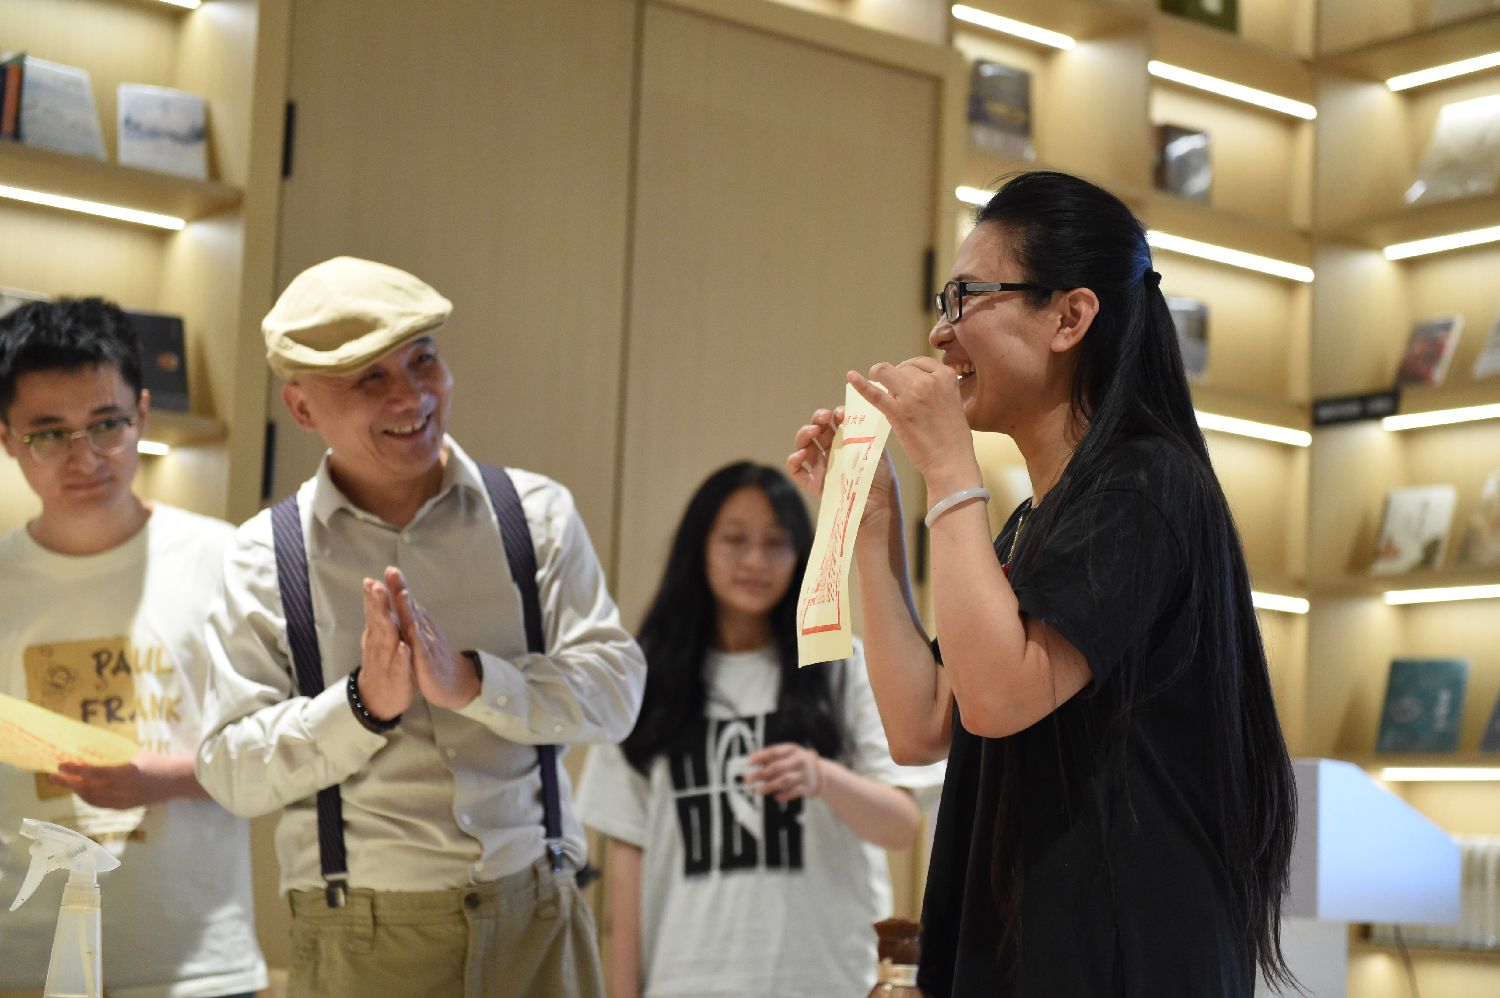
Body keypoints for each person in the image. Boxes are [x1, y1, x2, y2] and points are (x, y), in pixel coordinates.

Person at [787, 171, 1299, 997]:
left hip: (1123, 961)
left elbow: (999, 697)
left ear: (1070, 317)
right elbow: (921, 724)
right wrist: (875, 522)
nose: (940, 331)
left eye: (965, 297)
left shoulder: (1147, 484)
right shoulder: (1038, 517)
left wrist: (948, 466)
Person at [194, 257, 646, 998]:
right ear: (301, 408)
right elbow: (230, 770)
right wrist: (361, 705)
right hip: (360, 943)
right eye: (369, 378)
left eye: (423, 359)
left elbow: (617, 691)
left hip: (539, 922)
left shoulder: (535, 516)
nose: (411, 395)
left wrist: (472, 682)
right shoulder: (262, 556)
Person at [575, 461, 937, 998]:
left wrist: (822, 778)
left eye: (776, 542)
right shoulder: (646, 684)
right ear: (699, 547)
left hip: (828, 978)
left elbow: (901, 826)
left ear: (801, 554)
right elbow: (628, 856)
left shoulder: (843, 668)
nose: (755, 561)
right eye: (735, 540)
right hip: (688, 981)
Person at [0, 298, 267, 998]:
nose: (85, 457)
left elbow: (284, 749)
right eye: (49, 434)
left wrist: (168, 778)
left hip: (197, 961)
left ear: (142, 415)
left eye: (106, 424)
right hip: (27, 960)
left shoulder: (226, 559)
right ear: (7, 439)